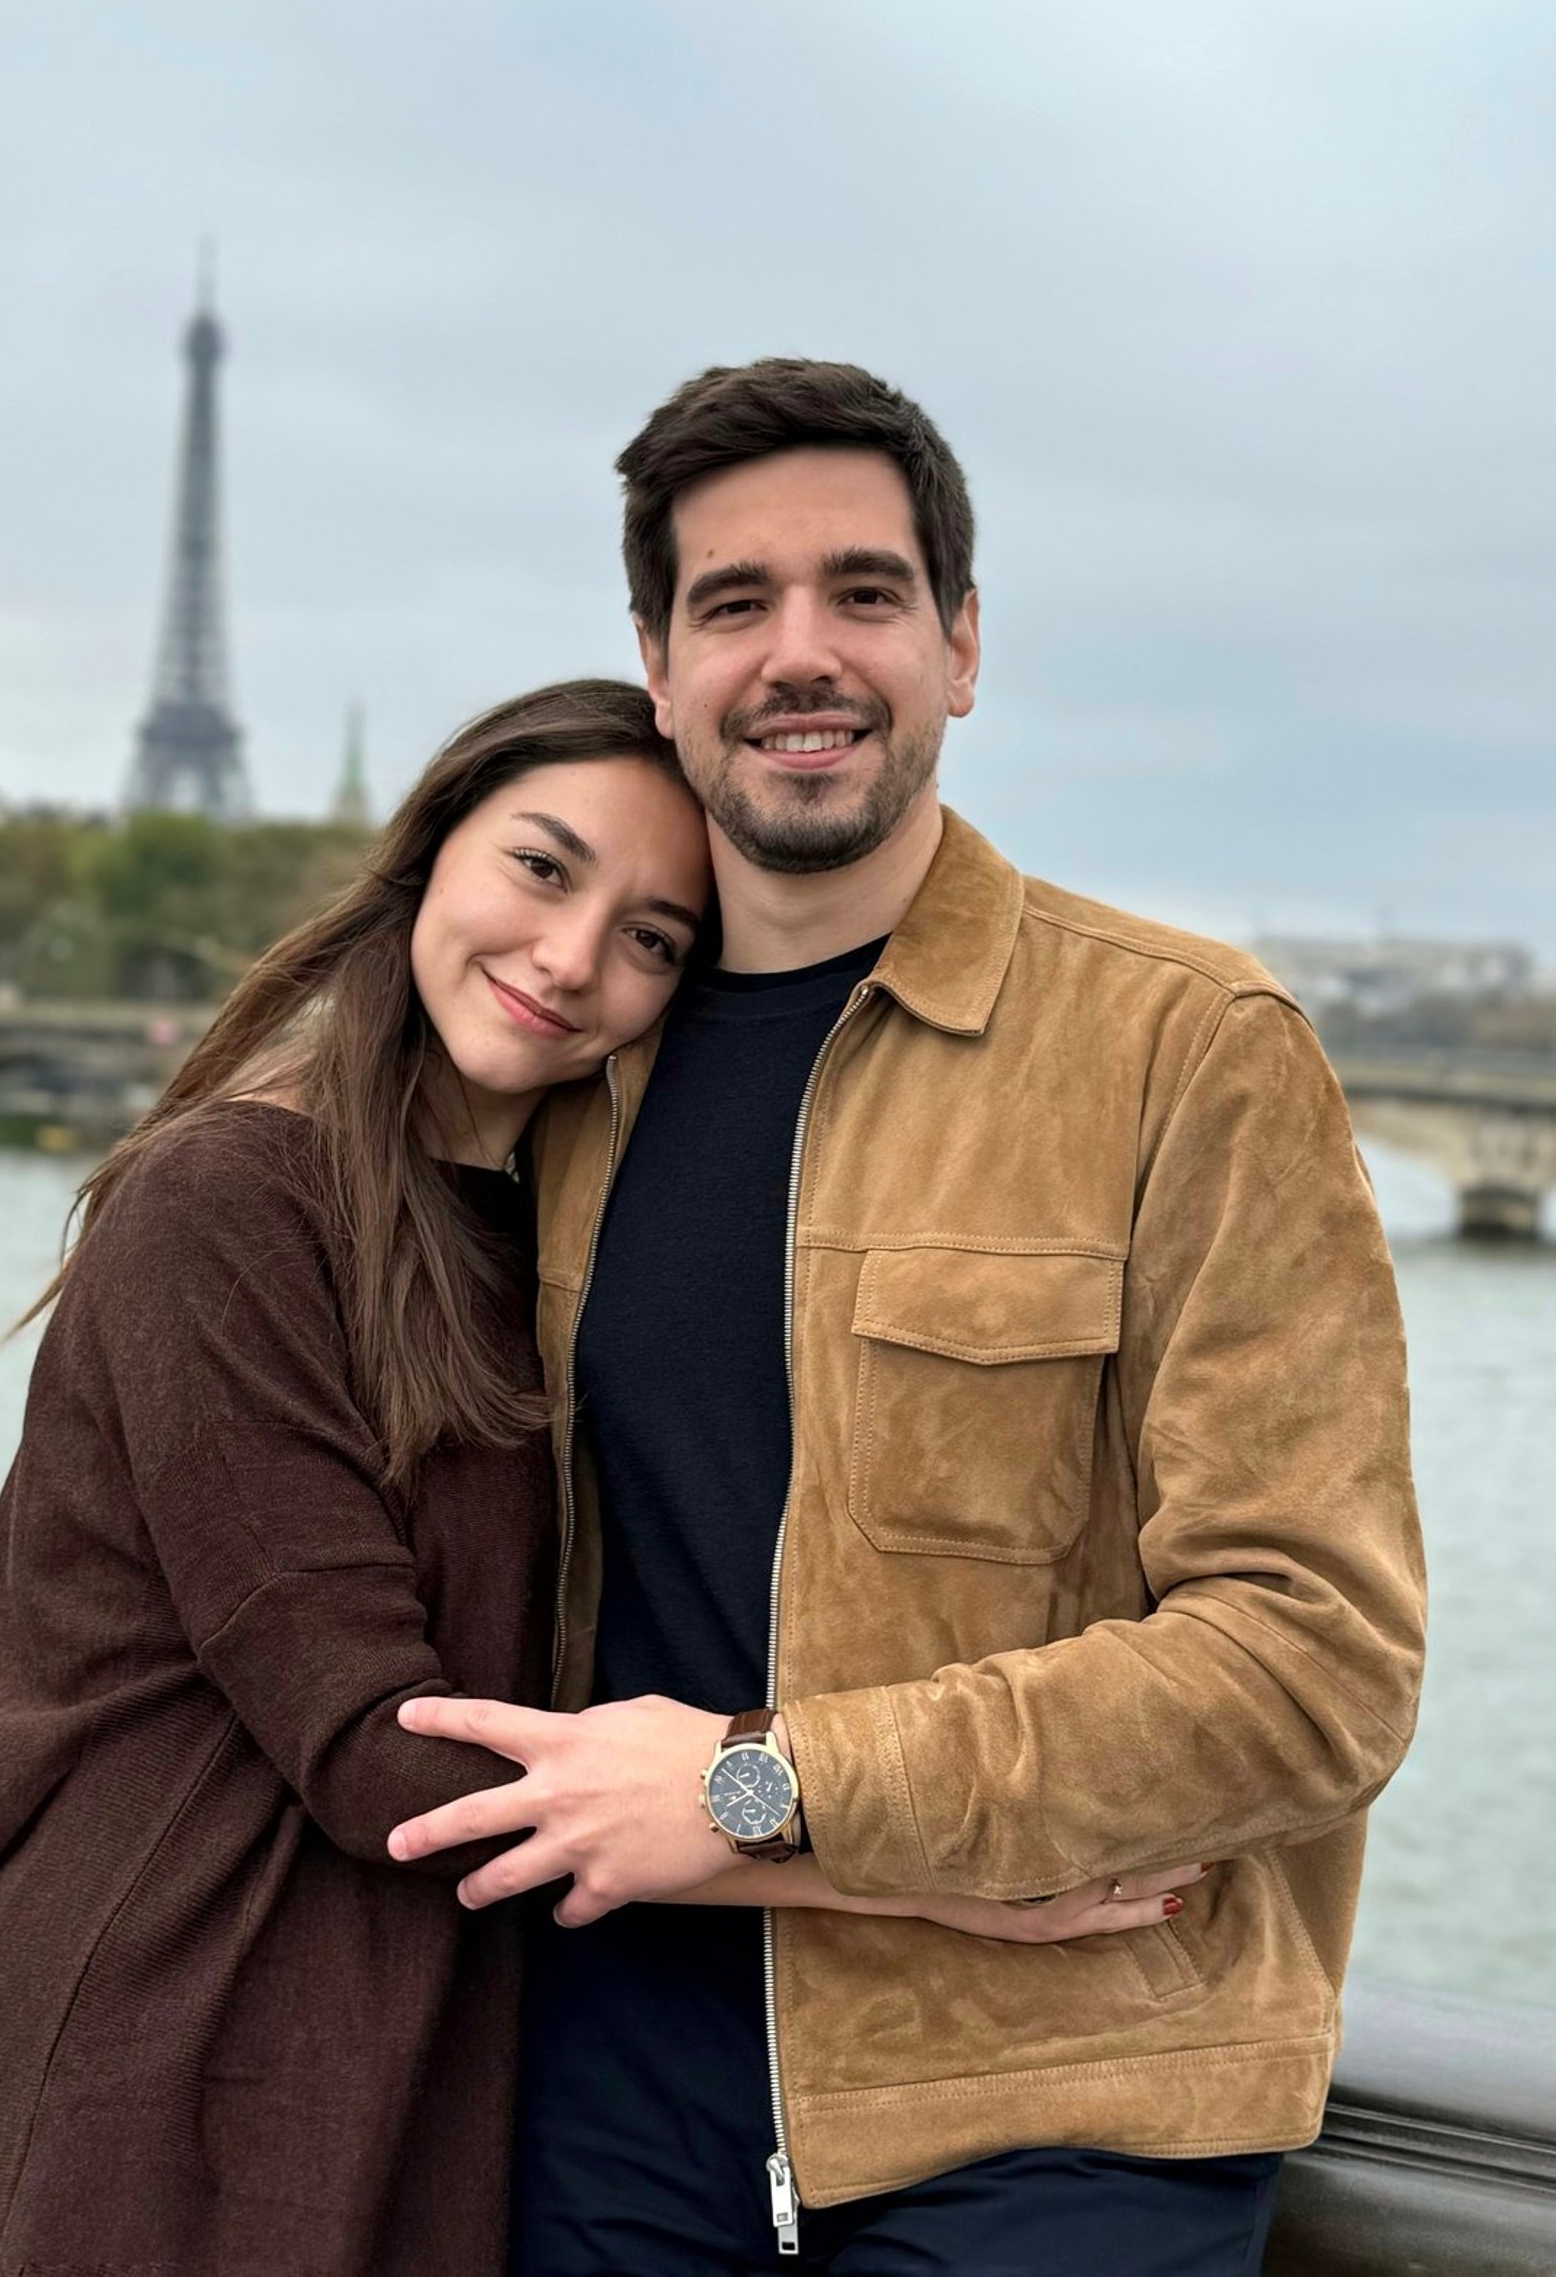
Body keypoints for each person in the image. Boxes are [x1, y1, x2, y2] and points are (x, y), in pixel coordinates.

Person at [387, 360, 1429, 2277]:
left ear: (961, 647)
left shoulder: (1183, 1052)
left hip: (1051, 2108)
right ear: (656, 660)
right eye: (734, 603)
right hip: (603, 2086)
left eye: (864, 593)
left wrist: (776, 1799)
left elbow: (1316, 1661)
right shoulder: (570, 1068)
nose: (805, 652)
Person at [0, 679, 712, 2277]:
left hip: (354, 2074)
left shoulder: (546, 1255)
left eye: (653, 935)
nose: (575, 955)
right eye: (544, 866)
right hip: (135, 2090)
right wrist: (863, 1841)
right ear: (429, 852)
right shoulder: (228, 1206)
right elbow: (385, 1748)